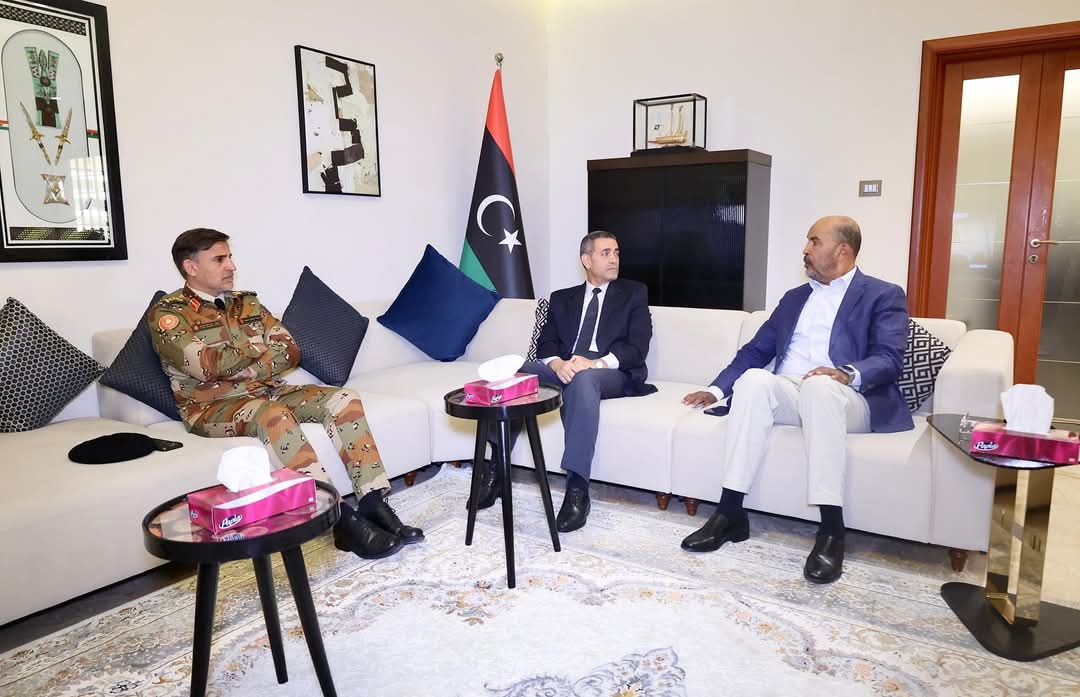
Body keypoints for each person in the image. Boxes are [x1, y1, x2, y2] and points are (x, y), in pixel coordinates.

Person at [149, 228, 423, 559]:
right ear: (191, 267)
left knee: (343, 399)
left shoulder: (246, 302)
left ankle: (373, 503)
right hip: (212, 407)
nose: (232, 266)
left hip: (269, 391)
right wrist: (258, 351)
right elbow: (206, 366)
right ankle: (340, 519)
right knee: (274, 416)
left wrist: (242, 361)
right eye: (220, 259)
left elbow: (290, 351)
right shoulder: (169, 314)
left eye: (230, 257)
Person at [680, 216, 912, 583]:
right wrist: (716, 389)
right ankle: (730, 513)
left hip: (850, 396)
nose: (805, 249)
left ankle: (832, 529)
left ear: (843, 249)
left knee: (820, 387)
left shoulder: (883, 294)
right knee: (754, 380)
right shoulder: (794, 298)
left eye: (814, 241)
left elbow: (889, 358)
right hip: (792, 389)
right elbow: (755, 352)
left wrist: (845, 373)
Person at [474, 231, 655, 532]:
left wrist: (593, 363)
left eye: (616, 252)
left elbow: (637, 348)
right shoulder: (562, 298)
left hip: (610, 371)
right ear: (587, 260)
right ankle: (496, 470)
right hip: (567, 367)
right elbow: (546, 344)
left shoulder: (634, 293)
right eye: (606, 253)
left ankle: (577, 489)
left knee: (583, 380)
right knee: (514, 370)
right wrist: (557, 364)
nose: (614, 259)